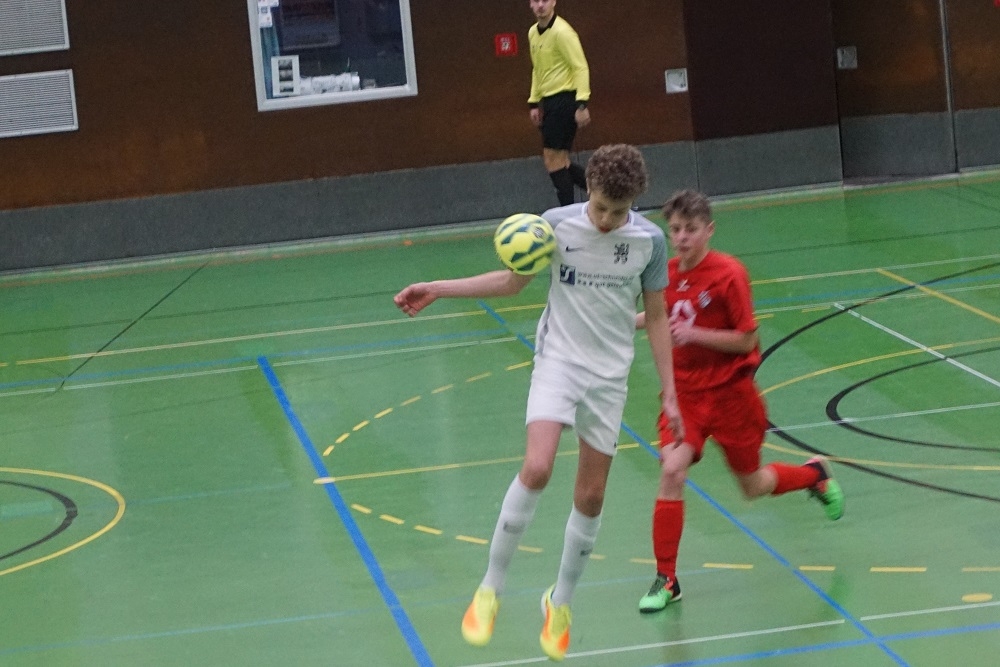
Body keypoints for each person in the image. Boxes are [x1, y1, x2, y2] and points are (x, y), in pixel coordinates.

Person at [394, 144, 683, 661]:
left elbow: (657, 317)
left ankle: (560, 602)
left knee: (591, 497)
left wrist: (671, 392)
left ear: (634, 203)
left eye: (617, 212)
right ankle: (491, 587)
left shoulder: (649, 242)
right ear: (587, 190)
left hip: (609, 377)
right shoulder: (553, 225)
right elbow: (511, 282)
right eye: (600, 208)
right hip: (559, 363)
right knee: (537, 467)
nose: (606, 220)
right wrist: (438, 287)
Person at [634, 189, 845, 613]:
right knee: (672, 470)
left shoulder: (729, 274)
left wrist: (694, 335)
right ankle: (667, 579)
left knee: (751, 486)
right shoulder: (665, 273)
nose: (682, 237)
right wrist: (617, 323)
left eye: (691, 229)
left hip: (732, 396)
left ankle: (814, 474)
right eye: (675, 229)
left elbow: (747, 339)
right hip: (686, 396)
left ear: (709, 230)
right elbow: (658, 316)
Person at [527, 0, 591, 207]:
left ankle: (567, 213)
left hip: (565, 100)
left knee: (552, 161)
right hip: (549, 102)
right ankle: (609, 196)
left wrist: (582, 103)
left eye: (545, 0)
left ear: (554, 2)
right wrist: (534, 102)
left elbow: (580, 67)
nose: (540, 5)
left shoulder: (563, 32)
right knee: (561, 162)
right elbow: (538, 69)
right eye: (536, 1)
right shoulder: (532, 33)